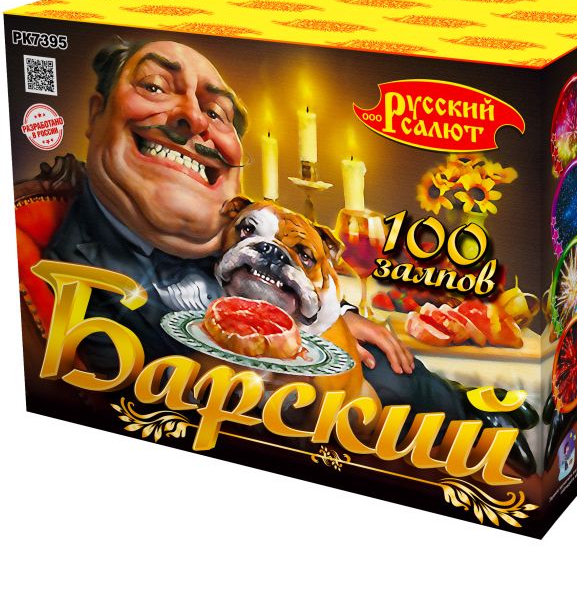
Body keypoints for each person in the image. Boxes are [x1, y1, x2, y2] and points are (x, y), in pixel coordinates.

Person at [45, 40, 467, 416]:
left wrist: (332, 316)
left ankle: (479, 409)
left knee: (400, 369)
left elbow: (284, 259)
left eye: (217, 113)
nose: (194, 118)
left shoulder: (212, 230)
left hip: (409, 392)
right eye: (155, 86)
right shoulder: (82, 278)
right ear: (96, 112)